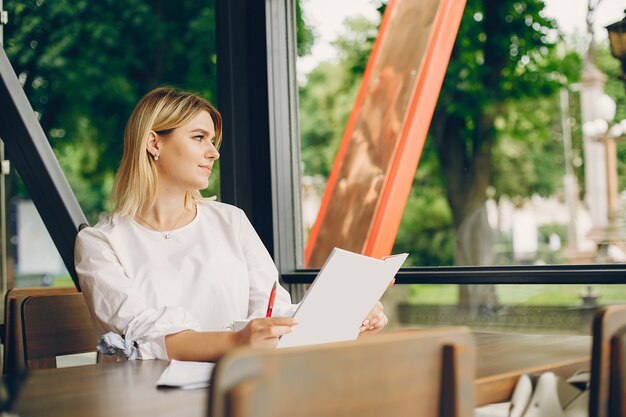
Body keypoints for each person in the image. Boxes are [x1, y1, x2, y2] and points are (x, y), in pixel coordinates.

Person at [75, 87, 388, 362]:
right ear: (154, 143)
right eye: (199, 138)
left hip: (235, 388)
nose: (214, 152)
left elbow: (270, 311)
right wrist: (239, 341)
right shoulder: (99, 243)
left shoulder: (230, 220)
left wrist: (344, 312)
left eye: (212, 140)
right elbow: (142, 337)